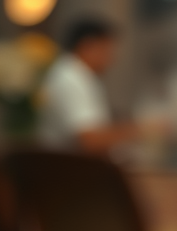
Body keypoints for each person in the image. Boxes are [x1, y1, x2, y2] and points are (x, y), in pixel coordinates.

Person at [37, 17, 136, 152]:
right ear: (88, 45)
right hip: (68, 163)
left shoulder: (75, 73)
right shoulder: (71, 77)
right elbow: (89, 140)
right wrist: (141, 130)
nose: (112, 58)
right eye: (107, 49)